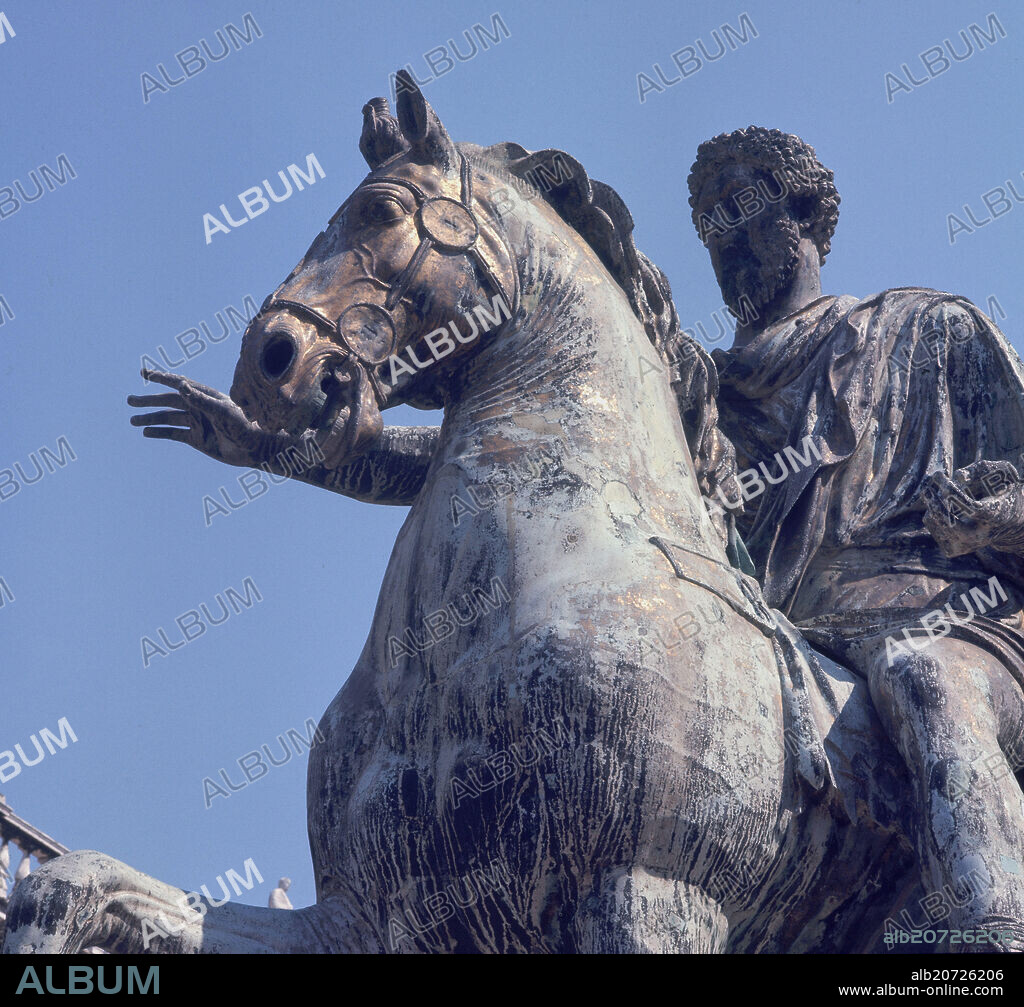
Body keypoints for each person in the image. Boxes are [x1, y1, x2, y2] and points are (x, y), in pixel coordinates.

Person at [687, 125, 1024, 948]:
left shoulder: (929, 330)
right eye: (708, 223)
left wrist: (997, 514)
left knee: (920, 675)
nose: (724, 236)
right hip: (794, 647)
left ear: (801, 212)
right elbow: (546, 447)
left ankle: (996, 935)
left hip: (955, 624)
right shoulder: (699, 397)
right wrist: (339, 437)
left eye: (741, 207)